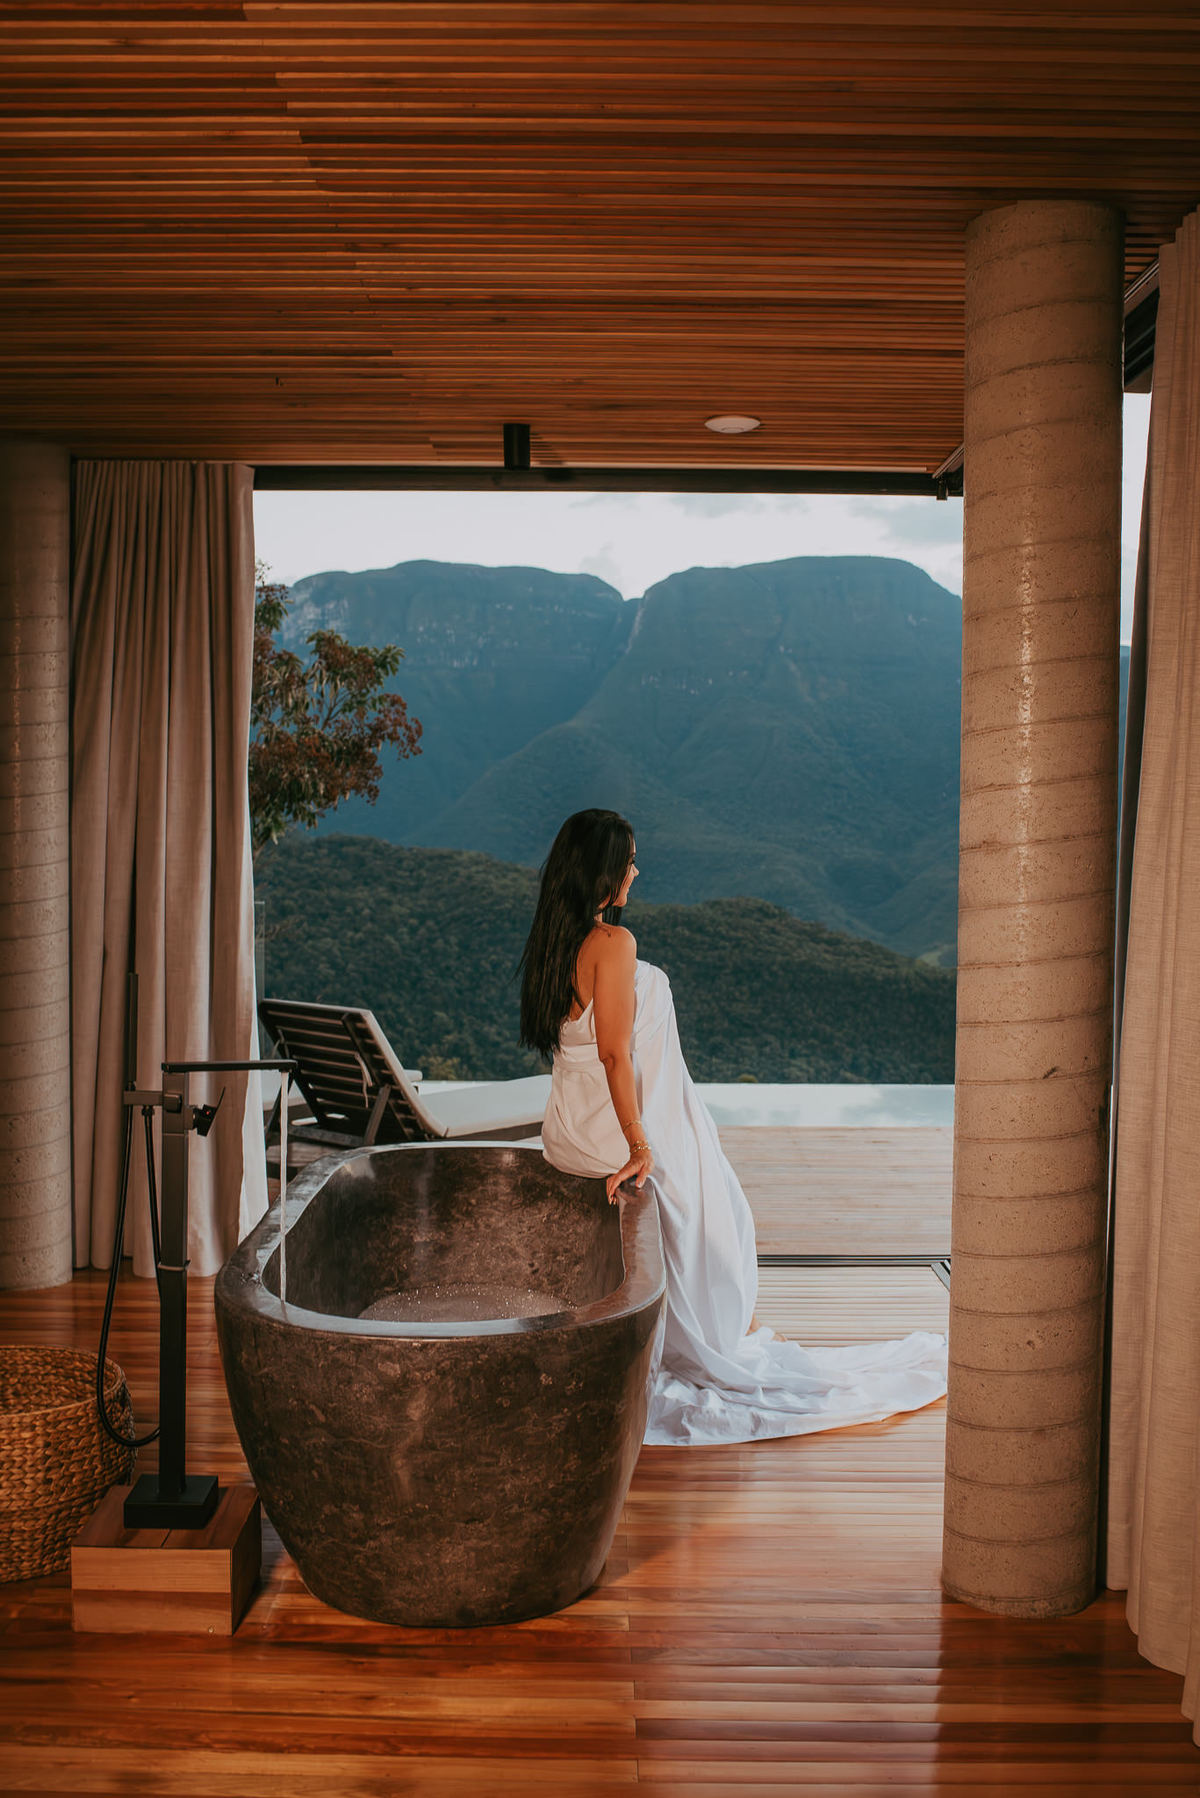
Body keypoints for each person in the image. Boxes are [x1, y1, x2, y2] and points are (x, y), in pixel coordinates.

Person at [519, 808, 948, 1447]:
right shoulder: (613, 944)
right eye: (629, 860)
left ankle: (703, 1327)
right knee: (718, 1205)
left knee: (712, 1187)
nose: (637, 871)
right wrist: (641, 1146)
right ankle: (707, 1339)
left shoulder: (555, 943)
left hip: (568, 1128)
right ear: (603, 871)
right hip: (615, 1125)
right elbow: (615, 1053)